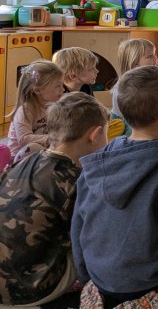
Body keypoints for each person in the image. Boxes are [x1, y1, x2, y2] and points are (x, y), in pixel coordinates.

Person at [71, 66, 158, 308]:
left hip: (101, 280)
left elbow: (78, 226)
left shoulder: (98, 160)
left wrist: (87, 279)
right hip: (149, 284)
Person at [0, 92, 109, 307]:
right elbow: (95, 241)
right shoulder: (77, 181)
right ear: (95, 135)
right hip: (30, 290)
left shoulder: (27, 160)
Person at [54, 46, 126, 140]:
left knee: (118, 124)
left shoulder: (86, 87)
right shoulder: (61, 94)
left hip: (88, 127)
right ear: (73, 76)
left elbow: (97, 107)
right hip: (71, 131)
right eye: (91, 69)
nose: (97, 71)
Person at [6, 60, 63, 163]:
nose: (62, 90)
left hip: (44, 152)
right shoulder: (25, 110)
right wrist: (50, 139)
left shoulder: (54, 106)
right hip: (20, 158)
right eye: (57, 86)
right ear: (37, 90)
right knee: (33, 147)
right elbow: (24, 138)